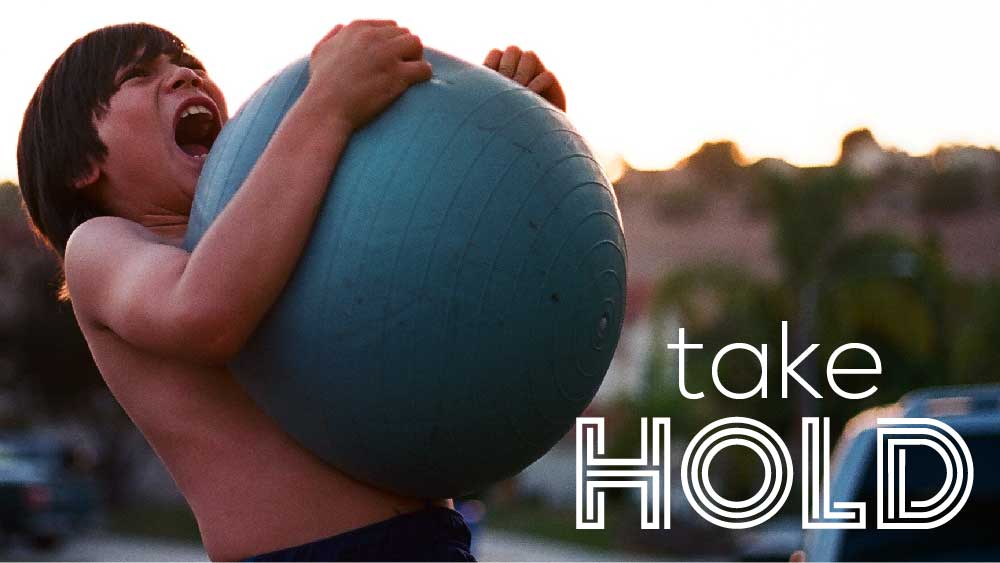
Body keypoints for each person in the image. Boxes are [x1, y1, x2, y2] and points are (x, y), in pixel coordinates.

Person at [16, 21, 565, 562]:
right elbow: (204, 311)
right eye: (138, 74)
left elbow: (446, 270)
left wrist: (511, 145)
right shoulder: (101, 246)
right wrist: (326, 105)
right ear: (84, 163)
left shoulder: (287, 224)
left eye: (188, 64)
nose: (183, 76)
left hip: (433, 541)